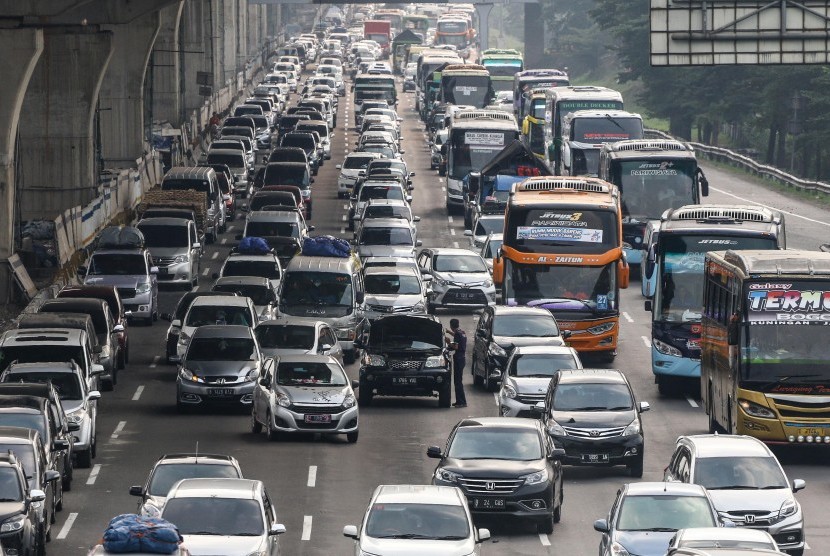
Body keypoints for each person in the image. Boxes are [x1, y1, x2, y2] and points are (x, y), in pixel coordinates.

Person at [447, 318, 467, 408]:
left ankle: (461, 402)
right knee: (459, 381)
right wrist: (449, 332)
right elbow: (456, 336)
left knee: (457, 381)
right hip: (462, 358)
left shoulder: (457, 334)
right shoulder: (462, 332)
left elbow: (455, 347)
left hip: (458, 359)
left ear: (451, 326)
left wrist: (448, 342)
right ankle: (460, 400)